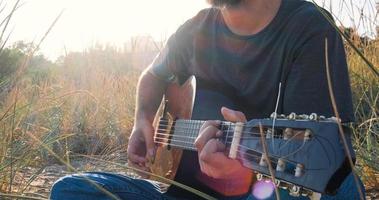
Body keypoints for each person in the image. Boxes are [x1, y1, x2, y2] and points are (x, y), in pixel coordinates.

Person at [50, 0, 366, 199]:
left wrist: (239, 171)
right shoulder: (195, 30)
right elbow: (154, 74)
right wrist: (143, 119)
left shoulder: (309, 29)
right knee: (70, 190)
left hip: (265, 192)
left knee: (339, 186)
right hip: (185, 191)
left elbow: (317, 160)